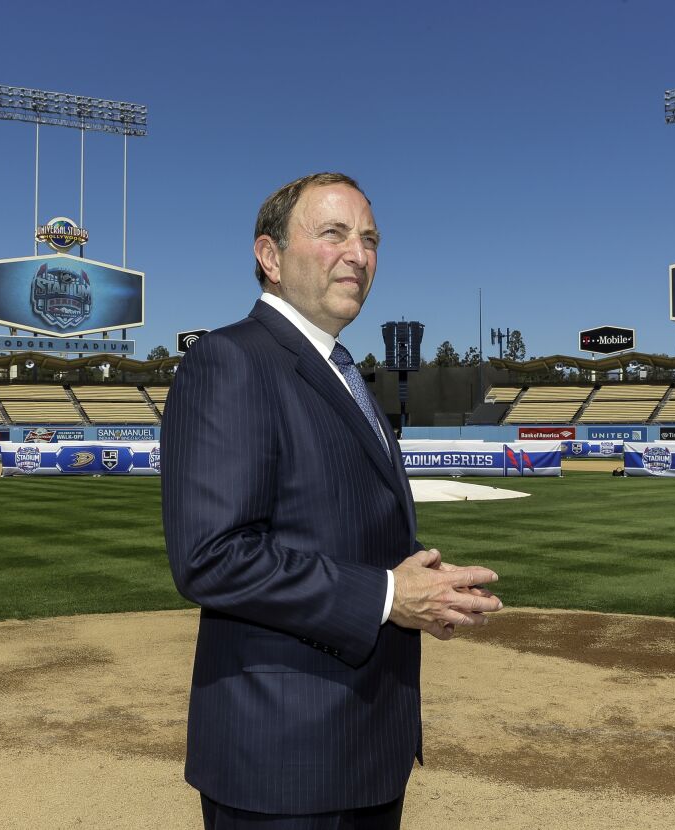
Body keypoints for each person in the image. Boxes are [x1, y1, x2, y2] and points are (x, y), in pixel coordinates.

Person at [162, 172, 503, 829]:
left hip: (364, 750)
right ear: (270, 256)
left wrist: (419, 592)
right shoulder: (230, 360)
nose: (359, 252)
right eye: (333, 233)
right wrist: (384, 596)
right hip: (285, 769)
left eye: (370, 238)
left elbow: (340, 531)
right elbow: (211, 556)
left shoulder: (344, 372)